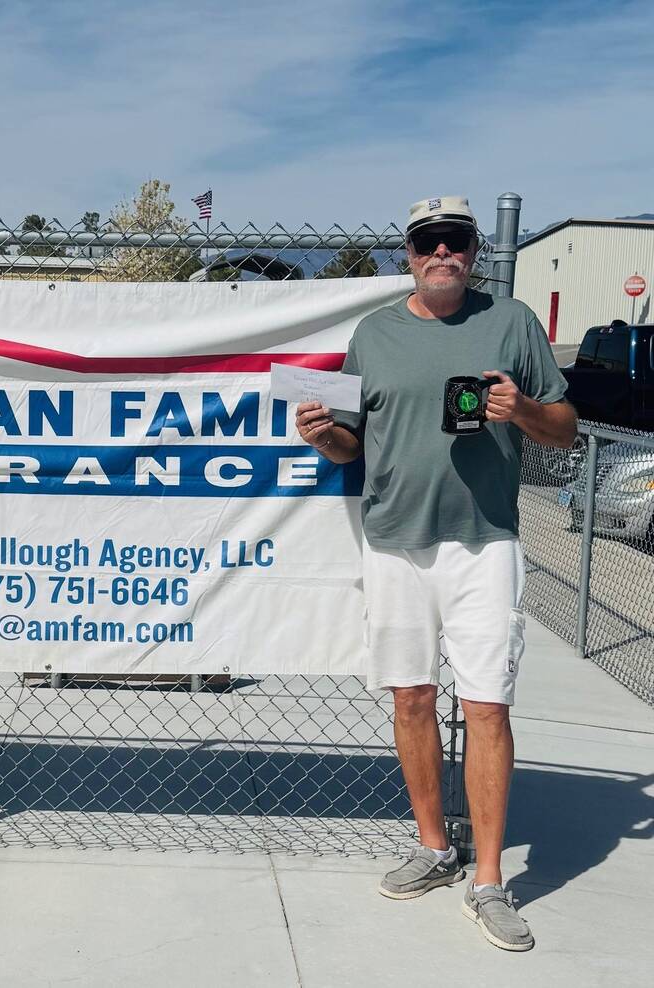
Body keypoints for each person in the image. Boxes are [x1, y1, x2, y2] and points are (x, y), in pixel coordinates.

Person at [295, 196, 577, 951]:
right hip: (393, 542)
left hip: (484, 543)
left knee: (486, 706)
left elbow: (567, 427)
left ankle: (488, 882)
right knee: (413, 698)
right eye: (428, 241)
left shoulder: (511, 322)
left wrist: (519, 411)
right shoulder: (374, 333)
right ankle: (433, 847)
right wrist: (323, 436)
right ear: (410, 252)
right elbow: (351, 447)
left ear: (475, 251)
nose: (442, 252)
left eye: (456, 241)